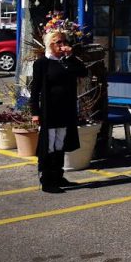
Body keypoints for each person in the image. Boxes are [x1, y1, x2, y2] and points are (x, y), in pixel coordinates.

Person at [29, 30, 88, 193]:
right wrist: (35, 112)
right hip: (50, 110)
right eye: (58, 42)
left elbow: (83, 72)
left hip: (65, 109)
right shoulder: (42, 63)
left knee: (60, 142)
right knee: (49, 144)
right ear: (50, 44)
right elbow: (35, 89)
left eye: (64, 42)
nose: (62, 45)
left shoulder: (66, 61)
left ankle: (57, 175)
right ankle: (46, 179)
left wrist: (70, 56)